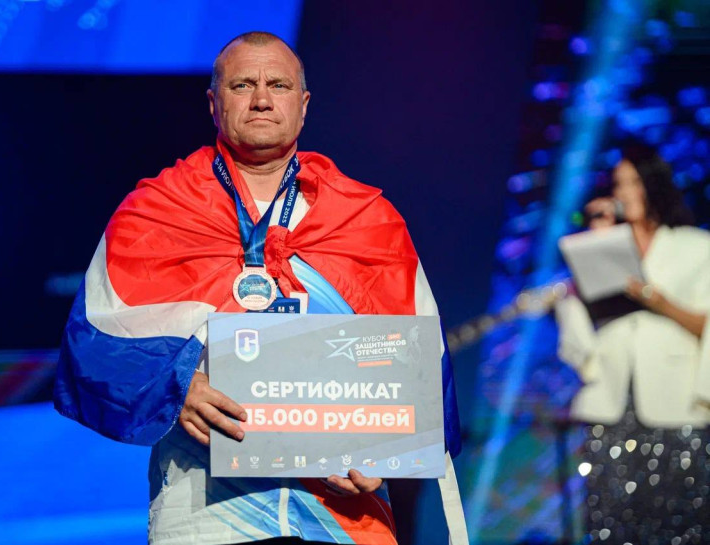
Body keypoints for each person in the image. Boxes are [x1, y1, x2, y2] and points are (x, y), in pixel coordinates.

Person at [54, 31, 467, 545]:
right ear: (213, 102)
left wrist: (387, 451)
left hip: (345, 516)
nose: (262, 99)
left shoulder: (367, 219)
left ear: (304, 104)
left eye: (279, 85)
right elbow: (95, 343)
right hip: (207, 510)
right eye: (243, 84)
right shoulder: (155, 213)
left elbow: (421, 362)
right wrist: (175, 386)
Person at [555, 144, 710, 544]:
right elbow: (576, 320)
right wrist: (597, 241)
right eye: (618, 184)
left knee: (680, 523)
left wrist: (656, 300)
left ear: (653, 184)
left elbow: (705, 321)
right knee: (611, 522)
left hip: (677, 405)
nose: (624, 192)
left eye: (634, 182)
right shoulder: (601, 244)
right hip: (610, 403)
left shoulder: (696, 246)